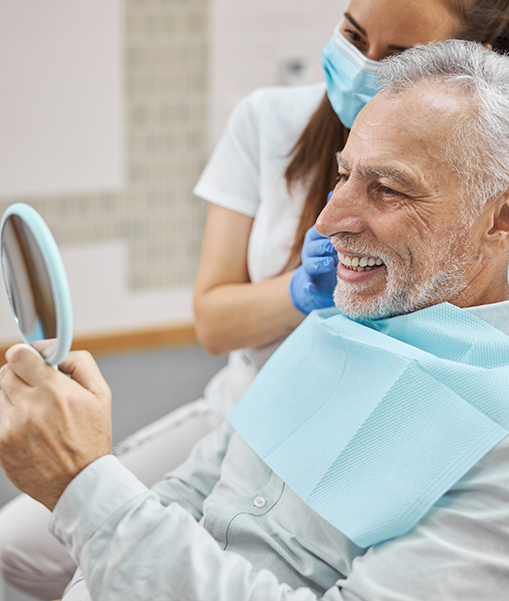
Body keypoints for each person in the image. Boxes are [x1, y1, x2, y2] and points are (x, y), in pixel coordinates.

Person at [2, 0, 509, 598]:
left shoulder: (490, 443)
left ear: (498, 218)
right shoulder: (343, 321)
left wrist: (84, 485)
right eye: (344, 176)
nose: (327, 221)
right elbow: (195, 489)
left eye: (388, 189)